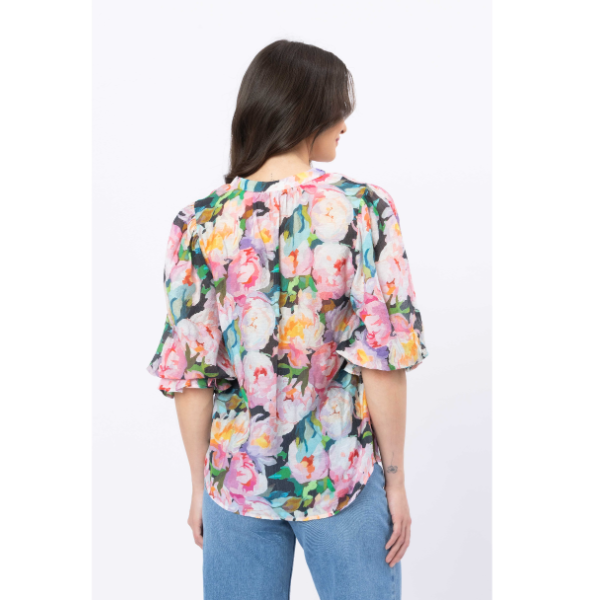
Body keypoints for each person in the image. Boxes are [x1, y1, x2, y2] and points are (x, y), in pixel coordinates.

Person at [146, 39, 428, 600]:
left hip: (236, 480)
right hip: (342, 475)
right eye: (337, 107)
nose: (344, 123)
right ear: (304, 109)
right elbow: (383, 358)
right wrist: (395, 482)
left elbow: (192, 370)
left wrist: (200, 486)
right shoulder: (364, 208)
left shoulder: (200, 221)